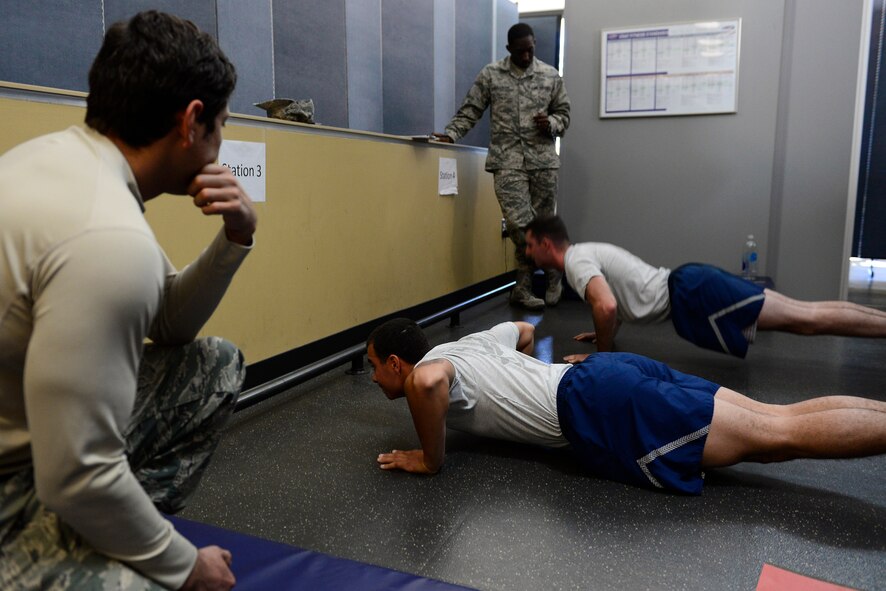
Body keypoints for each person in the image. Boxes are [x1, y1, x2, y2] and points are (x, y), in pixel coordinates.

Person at [0, 11, 257, 590]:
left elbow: (168, 322)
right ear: (191, 122)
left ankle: (101, 535)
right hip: (23, 481)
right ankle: (87, 545)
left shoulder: (64, 161)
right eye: (220, 126)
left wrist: (236, 236)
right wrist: (185, 566)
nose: (218, 147)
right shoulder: (108, 237)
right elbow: (77, 475)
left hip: (30, 447)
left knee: (212, 366)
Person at [366, 318, 886, 495]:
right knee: (780, 416)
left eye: (373, 366)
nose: (371, 377)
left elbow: (429, 382)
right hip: (601, 371)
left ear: (396, 362)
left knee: (777, 439)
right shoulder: (474, 341)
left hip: (593, 403)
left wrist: (431, 459)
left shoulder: (425, 375)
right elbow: (524, 329)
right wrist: (511, 394)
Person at [523, 215, 886, 360]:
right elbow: (615, 300)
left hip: (693, 293)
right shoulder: (583, 254)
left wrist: (599, 358)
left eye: (529, 244)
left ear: (545, 243)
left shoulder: (575, 262)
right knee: (804, 314)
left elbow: (606, 306)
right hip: (691, 286)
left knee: (805, 319)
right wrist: (603, 332)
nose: (526, 252)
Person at [432, 23, 571, 311]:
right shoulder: (491, 75)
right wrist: (452, 133)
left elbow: (564, 115)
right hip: (507, 160)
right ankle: (552, 267)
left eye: (530, 49)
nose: (526, 55)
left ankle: (526, 287)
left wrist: (552, 124)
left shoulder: (549, 75)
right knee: (522, 225)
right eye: (520, 51)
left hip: (543, 160)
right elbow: (471, 109)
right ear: (509, 49)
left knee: (543, 226)